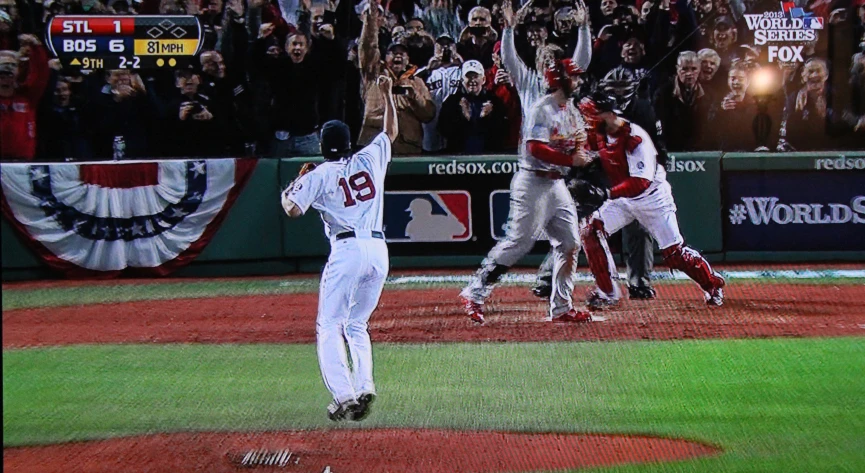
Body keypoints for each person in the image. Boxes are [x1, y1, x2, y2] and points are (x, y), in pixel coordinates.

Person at [280, 75, 398, 422]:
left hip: (346, 250)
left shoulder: (319, 174)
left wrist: (292, 187)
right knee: (357, 324)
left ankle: (345, 395)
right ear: (349, 143)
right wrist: (388, 96)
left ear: (322, 144)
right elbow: (389, 133)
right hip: (379, 250)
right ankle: (365, 386)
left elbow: (293, 210)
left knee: (329, 325)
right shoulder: (368, 159)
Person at [459, 59, 593, 325]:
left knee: (569, 243)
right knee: (519, 242)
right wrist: (571, 160)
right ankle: (474, 292)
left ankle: (562, 307)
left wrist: (581, 151)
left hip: (556, 184)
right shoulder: (541, 109)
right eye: (574, 77)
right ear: (561, 80)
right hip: (533, 182)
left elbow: (580, 140)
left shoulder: (572, 111)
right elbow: (535, 148)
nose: (578, 82)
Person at [574, 93, 726, 309]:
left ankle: (712, 284)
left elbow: (640, 183)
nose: (587, 121)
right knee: (590, 230)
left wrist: (605, 193)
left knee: (675, 254)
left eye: (591, 116)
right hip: (623, 200)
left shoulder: (636, 139)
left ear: (607, 114)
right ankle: (607, 292)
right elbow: (586, 152)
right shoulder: (599, 133)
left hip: (652, 199)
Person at [438, 59, 507, 153]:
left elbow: (502, 132)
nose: (472, 81)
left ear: (483, 80)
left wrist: (486, 118)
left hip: (488, 158)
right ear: (462, 80)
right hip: (459, 159)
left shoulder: (494, 101)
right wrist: (464, 118)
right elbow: (443, 129)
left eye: (475, 76)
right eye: (468, 77)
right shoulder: (452, 101)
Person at [0, 35, 48, 160]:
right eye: (2, 72)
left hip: (23, 161)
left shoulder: (27, 96)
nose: (6, 76)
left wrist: (36, 47)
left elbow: (41, 74)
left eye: (11, 68)